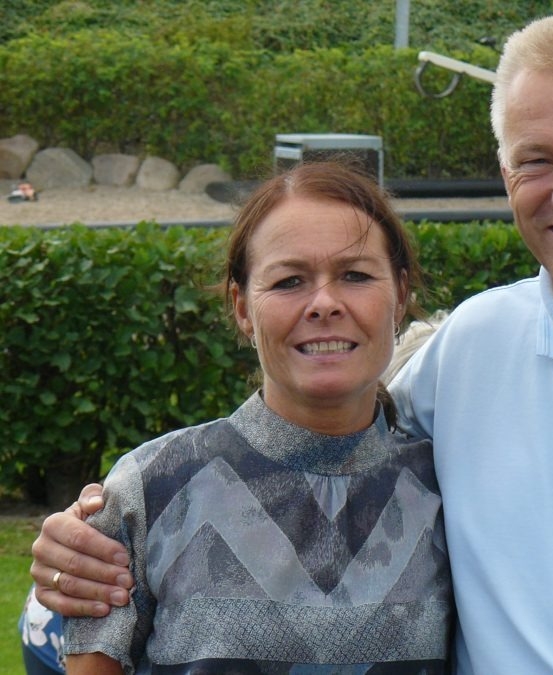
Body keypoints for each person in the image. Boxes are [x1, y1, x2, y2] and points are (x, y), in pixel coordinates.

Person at [30, 9, 553, 674]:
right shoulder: (473, 349)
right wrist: (100, 530)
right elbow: (309, 442)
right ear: (504, 172)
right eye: (536, 160)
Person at [41, 160, 454, 673]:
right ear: (242, 308)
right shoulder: (150, 490)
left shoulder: (449, 492)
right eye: (289, 281)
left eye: (355, 275)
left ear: (400, 295)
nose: (324, 303)